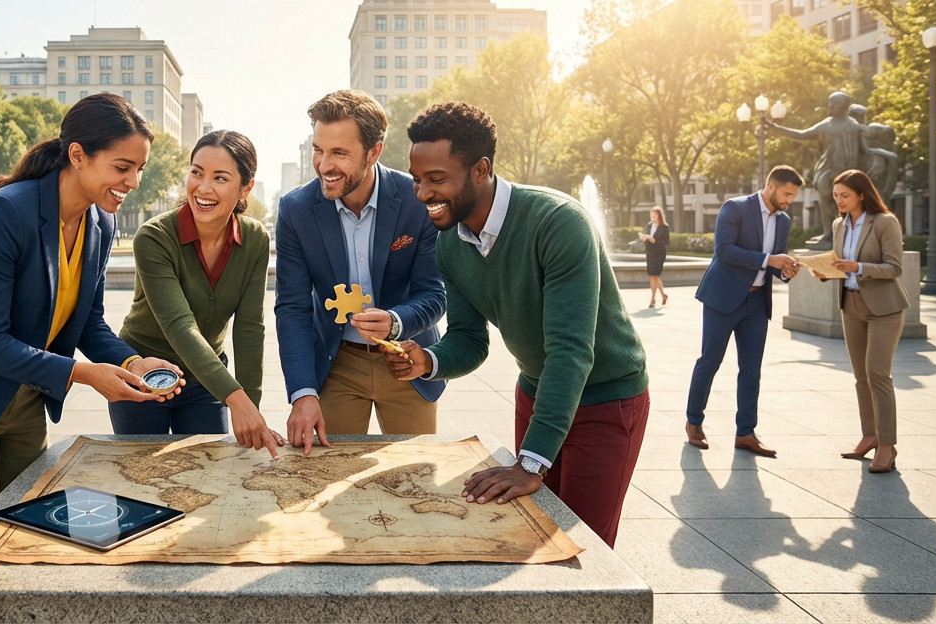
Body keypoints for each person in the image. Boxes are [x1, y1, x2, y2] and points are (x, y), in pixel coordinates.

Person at [0, 93, 185, 546]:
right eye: (122, 167)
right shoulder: (6, 212)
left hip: (24, 403)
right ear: (78, 155)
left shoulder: (101, 225)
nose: (133, 181)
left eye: (139, 169)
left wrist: (132, 363)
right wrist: (83, 374)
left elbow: (88, 323)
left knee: (26, 540)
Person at [387, 101, 649, 549]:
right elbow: (469, 338)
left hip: (606, 402)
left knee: (583, 550)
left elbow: (570, 350)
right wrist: (426, 361)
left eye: (435, 179)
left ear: (480, 169)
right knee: (533, 537)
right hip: (536, 393)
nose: (422, 193)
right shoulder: (449, 242)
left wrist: (530, 463)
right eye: (416, 179)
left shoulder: (559, 222)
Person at [274, 90, 446, 452]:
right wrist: (302, 393)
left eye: (339, 153)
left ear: (374, 152)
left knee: (414, 474)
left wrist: (395, 322)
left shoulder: (416, 200)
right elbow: (292, 308)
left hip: (406, 358)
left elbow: (434, 293)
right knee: (326, 475)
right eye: (319, 150)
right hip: (335, 363)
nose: (324, 165)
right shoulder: (295, 210)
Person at [109, 130, 284, 457]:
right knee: (143, 476)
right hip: (144, 374)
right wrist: (237, 401)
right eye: (197, 173)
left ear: (245, 188)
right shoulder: (153, 237)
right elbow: (180, 326)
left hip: (207, 381)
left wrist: (250, 408)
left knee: (211, 472)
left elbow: (250, 328)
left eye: (220, 178)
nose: (203, 188)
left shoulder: (255, 239)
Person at [684, 165, 803, 458]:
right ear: (771, 186)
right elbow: (724, 251)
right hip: (722, 298)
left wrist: (785, 271)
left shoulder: (784, 221)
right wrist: (770, 259)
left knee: (751, 369)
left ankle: (746, 433)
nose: (789, 200)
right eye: (787, 194)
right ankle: (694, 422)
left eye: (793, 196)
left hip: (757, 303)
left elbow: (773, 264)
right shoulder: (735, 208)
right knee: (710, 360)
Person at [811, 169, 908, 474]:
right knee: (860, 375)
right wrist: (827, 272)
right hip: (850, 305)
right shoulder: (838, 225)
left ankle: (887, 445)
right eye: (835, 195)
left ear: (862, 195)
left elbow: (894, 268)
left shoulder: (885, 222)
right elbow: (842, 265)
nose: (838, 201)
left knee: (877, 373)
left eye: (845, 195)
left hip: (884, 308)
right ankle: (870, 435)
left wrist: (858, 266)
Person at [766, 92, 871, 246]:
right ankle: (829, 233)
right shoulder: (826, 125)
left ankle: (847, 232)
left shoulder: (853, 126)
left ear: (842, 106)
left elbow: (864, 150)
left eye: (833, 103)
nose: (830, 106)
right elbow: (801, 134)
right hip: (829, 169)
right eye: (830, 103)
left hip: (848, 172)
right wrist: (775, 127)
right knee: (825, 196)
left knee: (847, 201)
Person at [639, 207, 670, 308]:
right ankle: (663, 296)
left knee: (654, 275)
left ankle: (652, 299)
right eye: (651, 215)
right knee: (654, 276)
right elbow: (647, 237)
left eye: (654, 215)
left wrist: (655, 241)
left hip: (659, 254)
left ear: (659, 216)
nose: (652, 217)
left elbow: (667, 242)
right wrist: (644, 237)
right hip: (650, 253)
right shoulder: (649, 225)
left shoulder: (664, 227)